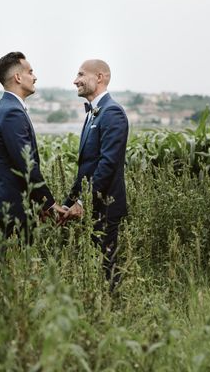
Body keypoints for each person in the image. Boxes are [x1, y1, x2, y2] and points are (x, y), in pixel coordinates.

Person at [63, 59, 129, 285]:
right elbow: (87, 167)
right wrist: (68, 202)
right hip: (94, 204)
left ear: (99, 78)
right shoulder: (94, 113)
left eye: (81, 74)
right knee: (94, 266)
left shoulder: (112, 113)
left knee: (107, 267)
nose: (75, 81)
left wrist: (83, 202)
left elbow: (107, 164)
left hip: (106, 206)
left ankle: (114, 312)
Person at [0, 51, 66, 241]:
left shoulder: (5, 108)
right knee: (17, 268)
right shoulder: (12, 113)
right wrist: (48, 203)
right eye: (30, 72)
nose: (35, 77)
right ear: (18, 77)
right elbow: (26, 165)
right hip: (16, 210)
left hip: (16, 207)